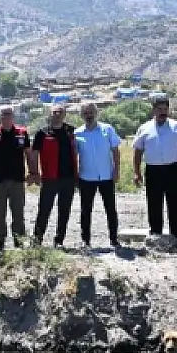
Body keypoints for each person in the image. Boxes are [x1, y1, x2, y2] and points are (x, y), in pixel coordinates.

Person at [132, 95, 177, 247]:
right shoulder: (144, 128)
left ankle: (176, 236)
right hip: (153, 170)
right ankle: (155, 235)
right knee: (154, 203)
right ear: (153, 110)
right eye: (159, 109)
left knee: (174, 202)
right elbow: (137, 151)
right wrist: (137, 172)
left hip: (172, 169)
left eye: (165, 109)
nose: (163, 112)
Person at [0, 104, 35, 252]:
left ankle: (18, 241)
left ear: (13, 116)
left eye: (9, 114)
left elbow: (28, 154)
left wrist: (33, 172)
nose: (6, 117)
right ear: (0, 117)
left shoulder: (22, 133)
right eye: (4, 114)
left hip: (17, 179)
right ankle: (0, 241)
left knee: (18, 212)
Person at [74, 103, 122, 247]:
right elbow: (74, 156)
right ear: (82, 115)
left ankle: (114, 239)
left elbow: (115, 151)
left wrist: (116, 170)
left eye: (91, 112)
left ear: (96, 113)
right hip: (86, 177)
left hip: (106, 176)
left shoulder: (107, 129)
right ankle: (86, 240)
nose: (89, 115)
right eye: (86, 113)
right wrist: (75, 174)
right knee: (85, 210)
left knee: (110, 209)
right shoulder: (77, 133)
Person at [31, 105, 79, 247]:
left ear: (64, 114)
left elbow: (77, 151)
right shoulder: (42, 132)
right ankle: (37, 239)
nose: (57, 114)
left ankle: (59, 240)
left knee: (64, 210)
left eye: (60, 112)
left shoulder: (71, 131)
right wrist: (34, 172)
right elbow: (34, 155)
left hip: (68, 178)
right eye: (55, 112)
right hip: (49, 178)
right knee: (44, 210)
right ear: (50, 114)